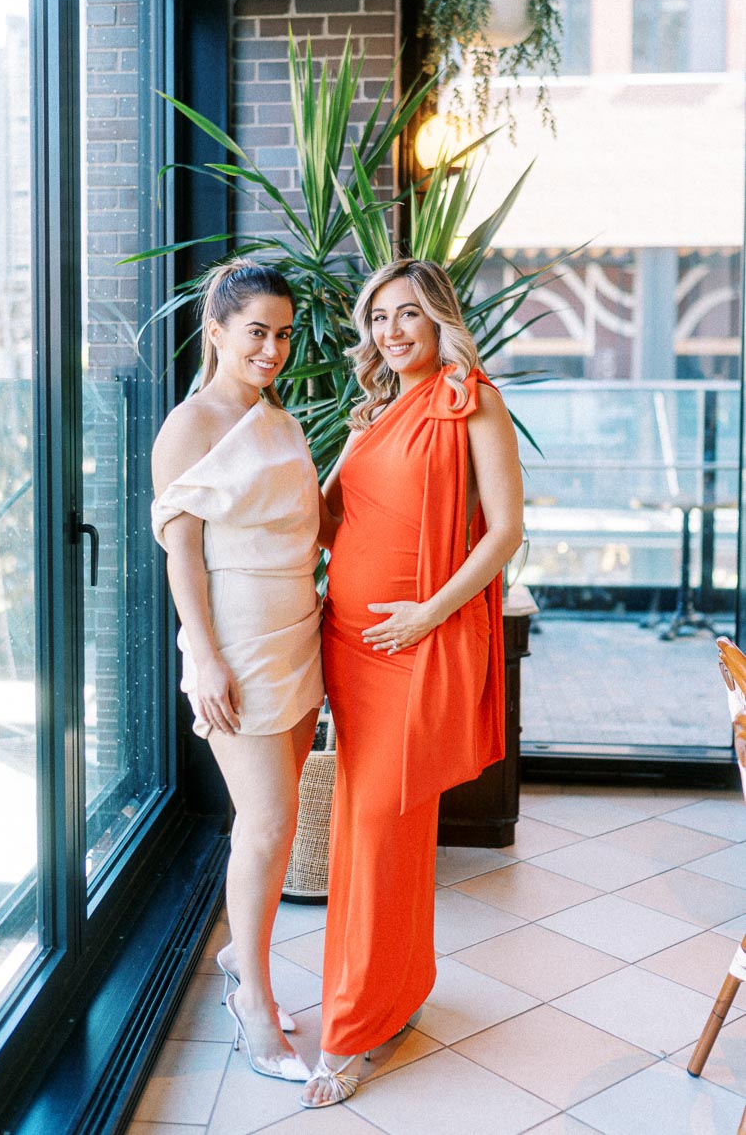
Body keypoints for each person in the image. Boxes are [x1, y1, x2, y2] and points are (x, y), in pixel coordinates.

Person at [302, 258, 524, 1108]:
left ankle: (353, 1028)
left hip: (414, 645)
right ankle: (395, 990)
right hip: (349, 643)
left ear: (439, 322)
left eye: (409, 316)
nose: (392, 332)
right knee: (380, 832)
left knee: (376, 828)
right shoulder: (374, 414)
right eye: (380, 318)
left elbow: (504, 532)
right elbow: (326, 521)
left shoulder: (472, 400)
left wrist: (428, 614)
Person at [152, 259, 328, 1083]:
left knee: (280, 823)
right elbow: (180, 550)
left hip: (299, 628)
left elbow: (308, 521)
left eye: (284, 334)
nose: (273, 348)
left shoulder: (277, 416)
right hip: (239, 638)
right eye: (257, 331)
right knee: (263, 824)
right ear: (216, 330)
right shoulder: (189, 425)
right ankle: (251, 999)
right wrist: (204, 654)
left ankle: (239, 959)